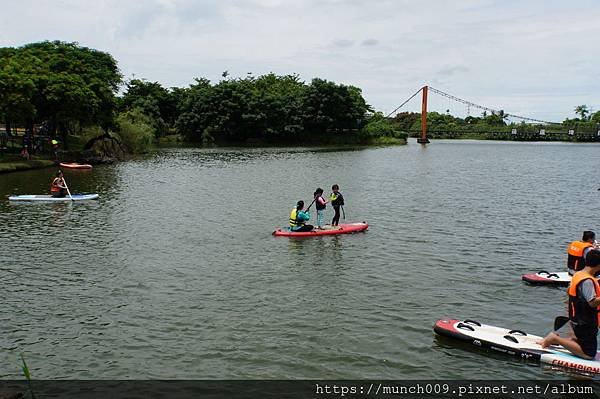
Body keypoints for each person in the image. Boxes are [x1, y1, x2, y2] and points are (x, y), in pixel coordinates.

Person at [539, 250, 600, 360]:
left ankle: (566, 340)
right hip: (584, 322)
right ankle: (554, 339)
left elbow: (569, 291)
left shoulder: (579, 274)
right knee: (589, 354)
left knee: (583, 342)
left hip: (577, 318)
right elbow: (592, 302)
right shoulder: (587, 281)